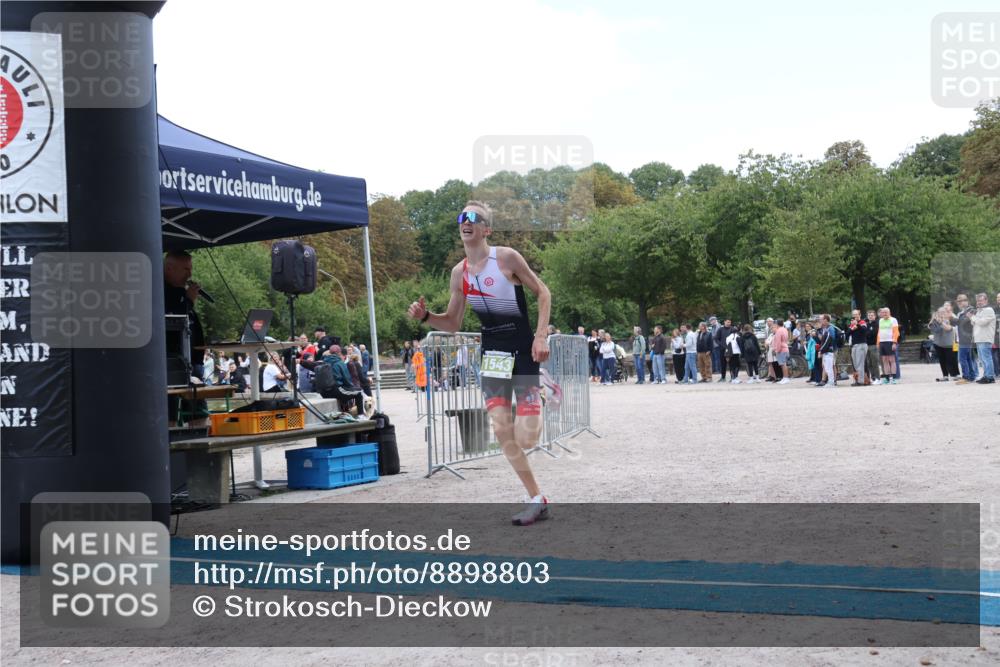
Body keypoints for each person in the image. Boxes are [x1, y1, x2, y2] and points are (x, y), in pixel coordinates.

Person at [406, 201, 552, 526]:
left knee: (527, 437)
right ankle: (535, 498)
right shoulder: (459, 273)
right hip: (492, 358)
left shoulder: (507, 258)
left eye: (474, 218)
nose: (466, 222)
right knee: (502, 431)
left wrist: (540, 336)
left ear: (487, 229)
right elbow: (453, 323)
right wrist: (427, 317)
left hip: (523, 351)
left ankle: (540, 395)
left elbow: (543, 292)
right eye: (462, 217)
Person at [928, 304, 959, 381]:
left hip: (952, 343)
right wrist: (933, 321)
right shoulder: (936, 321)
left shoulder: (952, 319)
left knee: (952, 359)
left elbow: (948, 329)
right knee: (942, 360)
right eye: (940, 312)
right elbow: (931, 327)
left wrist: (941, 322)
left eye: (943, 312)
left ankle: (955, 375)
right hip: (939, 344)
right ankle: (945, 375)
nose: (942, 314)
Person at [971, 292, 997, 384]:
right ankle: (986, 375)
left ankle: (990, 377)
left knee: (986, 358)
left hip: (985, 338)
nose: (979, 302)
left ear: (986, 300)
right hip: (979, 338)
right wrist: (973, 317)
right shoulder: (980, 311)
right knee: (982, 359)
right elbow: (974, 323)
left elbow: (982, 323)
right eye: (978, 301)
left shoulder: (989, 310)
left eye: (981, 300)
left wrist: (973, 317)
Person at [952, 294, 977, 384]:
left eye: (962, 301)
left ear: (966, 301)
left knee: (962, 358)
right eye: (958, 301)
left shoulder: (971, 310)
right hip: (962, 338)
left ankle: (965, 377)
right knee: (968, 358)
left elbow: (962, 322)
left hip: (966, 338)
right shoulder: (962, 312)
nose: (960, 303)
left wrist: (951, 318)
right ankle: (971, 376)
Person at [876, 307, 900, 384]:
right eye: (883, 312)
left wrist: (894, 342)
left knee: (892, 360)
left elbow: (896, 332)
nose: (884, 314)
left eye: (886, 312)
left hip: (890, 342)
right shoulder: (880, 320)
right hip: (882, 342)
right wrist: (878, 342)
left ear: (889, 312)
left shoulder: (893, 320)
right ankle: (887, 377)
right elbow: (879, 332)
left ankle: (893, 377)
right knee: (884, 360)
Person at [846, 309, 868, 386]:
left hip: (861, 345)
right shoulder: (852, 324)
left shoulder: (862, 322)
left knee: (860, 364)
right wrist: (852, 328)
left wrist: (857, 325)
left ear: (859, 315)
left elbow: (865, 331)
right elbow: (847, 334)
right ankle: (857, 379)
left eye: (856, 314)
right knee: (855, 364)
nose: (855, 316)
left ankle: (861, 381)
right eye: (853, 314)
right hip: (854, 346)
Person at [816, 315, 837, 387]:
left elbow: (827, 341)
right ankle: (830, 381)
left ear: (825, 320)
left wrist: (821, 351)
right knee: (827, 367)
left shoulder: (829, 329)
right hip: (826, 351)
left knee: (829, 367)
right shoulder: (826, 329)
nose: (820, 321)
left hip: (829, 351)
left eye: (821, 319)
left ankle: (832, 382)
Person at [771, 318, 790, 384]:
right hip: (785, 347)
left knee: (783, 364)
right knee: (784, 364)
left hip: (781, 349)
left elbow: (778, 342)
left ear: (777, 324)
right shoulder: (785, 329)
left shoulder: (779, 331)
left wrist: (777, 350)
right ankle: (785, 377)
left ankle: (785, 378)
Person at [864, 309, 879, 385]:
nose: (870, 317)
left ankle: (878, 378)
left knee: (874, 362)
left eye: (872, 315)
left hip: (873, 345)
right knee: (869, 363)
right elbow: (865, 333)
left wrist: (868, 333)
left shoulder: (876, 324)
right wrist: (868, 332)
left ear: (875, 316)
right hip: (866, 345)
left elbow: (874, 333)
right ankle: (873, 378)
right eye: (869, 315)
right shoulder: (866, 324)